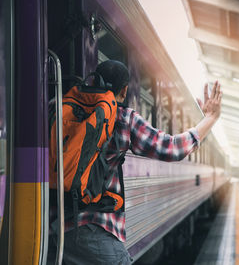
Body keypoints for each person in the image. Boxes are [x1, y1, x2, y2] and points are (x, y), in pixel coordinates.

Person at [47, 60, 222, 264]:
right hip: (95, 229)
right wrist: (210, 118)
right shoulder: (123, 119)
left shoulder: (56, 108)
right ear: (124, 91)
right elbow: (172, 148)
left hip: (53, 228)